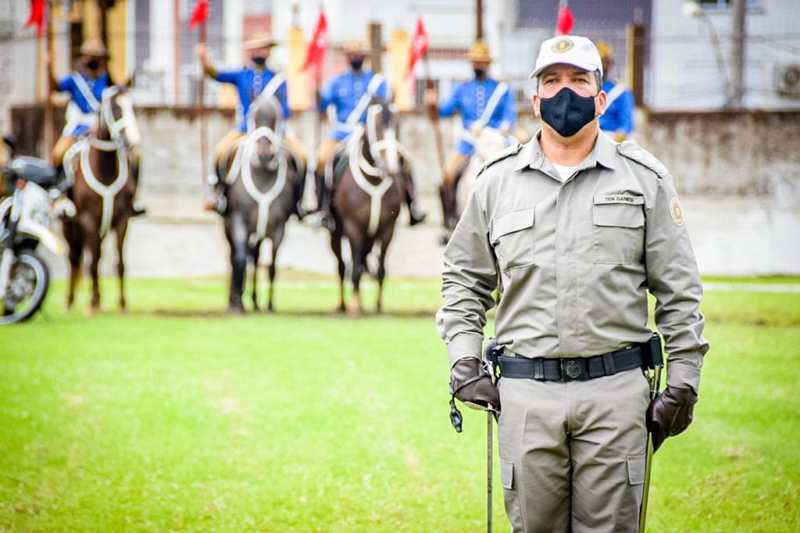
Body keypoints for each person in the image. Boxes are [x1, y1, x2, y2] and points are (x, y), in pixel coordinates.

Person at [436, 35, 709, 532]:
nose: (566, 93)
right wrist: (463, 358)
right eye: (552, 81)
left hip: (616, 399)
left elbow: (679, 289)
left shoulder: (644, 180)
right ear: (535, 98)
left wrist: (684, 381)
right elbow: (463, 279)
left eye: (580, 80)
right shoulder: (496, 182)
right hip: (526, 399)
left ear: (601, 98)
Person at [316, 39, 426, 230]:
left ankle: (413, 206)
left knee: (404, 160)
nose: (355, 57)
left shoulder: (377, 82)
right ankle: (323, 209)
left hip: (371, 135)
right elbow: (322, 105)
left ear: (364, 57)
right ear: (347, 57)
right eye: (352, 54)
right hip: (342, 132)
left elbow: (385, 108)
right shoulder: (337, 82)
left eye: (359, 54)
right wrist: (317, 93)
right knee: (321, 159)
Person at [196, 32, 307, 217]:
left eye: (263, 49)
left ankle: (299, 202)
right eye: (256, 49)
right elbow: (216, 74)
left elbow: (285, 110)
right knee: (220, 152)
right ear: (250, 52)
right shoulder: (242, 74)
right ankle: (220, 195)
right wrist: (204, 59)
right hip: (245, 129)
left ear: (268, 52)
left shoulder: (278, 79)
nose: (259, 52)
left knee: (302, 156)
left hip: (275, 131)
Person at [424, 40, 520, 232]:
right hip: (468, 143)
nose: (479, 65)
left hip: (495, 141)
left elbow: (509, 118)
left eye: (483, 61)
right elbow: (443, 112)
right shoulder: (462, 88)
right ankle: (448, 223)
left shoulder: (502, 89)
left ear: (489, 63)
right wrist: (432, 104)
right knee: (447, 176)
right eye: (476, 61)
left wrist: (497, 131)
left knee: (516, 172)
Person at [50, 39, 145, 215]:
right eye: (89, 56)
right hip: (79, 126)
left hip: (103, 125)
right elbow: (56, 88)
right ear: (83, 58)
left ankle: (133, 198)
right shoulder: (73, 79)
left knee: (135, 155)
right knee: (58, 154)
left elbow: (118, 93)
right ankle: (62, 193)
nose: (93, 60)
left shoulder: (106, 79)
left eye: (97, 57)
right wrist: (49, 68)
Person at [596, 40, 636, 142]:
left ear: (609, 64)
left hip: (611, 139)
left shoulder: (621, 91)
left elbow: (626, 124)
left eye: (602, 62)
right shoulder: (583, 90)